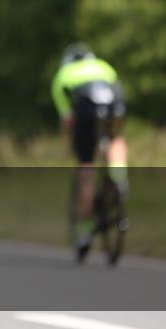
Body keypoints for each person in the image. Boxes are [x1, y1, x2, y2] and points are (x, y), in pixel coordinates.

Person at [50, 43, 128, 259]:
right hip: (115, 101)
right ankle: (118, 174)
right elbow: (118, 89)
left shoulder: (62, 76)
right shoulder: (103, 66)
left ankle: (85, 231)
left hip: (86, 106)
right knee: (115, 139)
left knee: (86, 166)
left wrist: (76, 146)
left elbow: (68, 120)